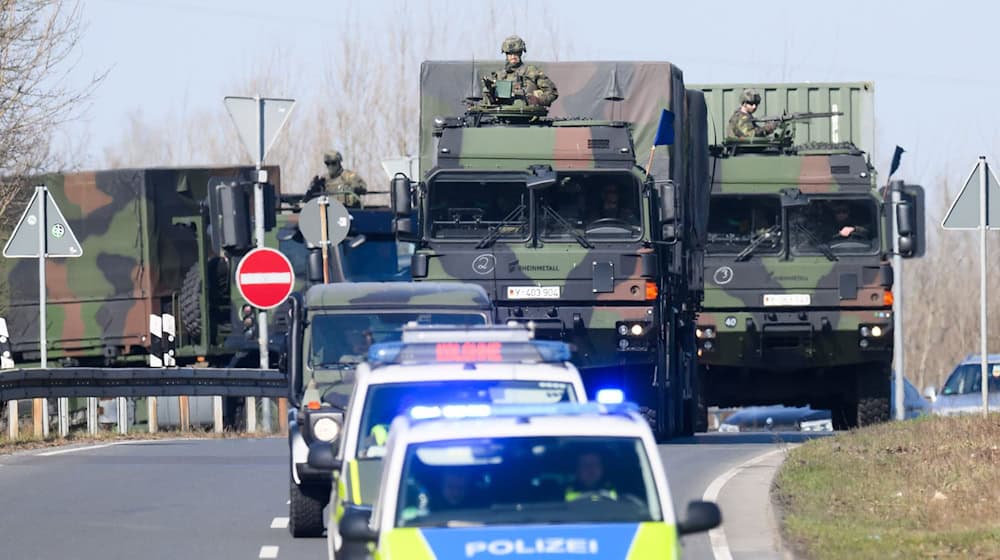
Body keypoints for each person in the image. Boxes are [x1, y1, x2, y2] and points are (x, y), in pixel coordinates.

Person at [482, 35, 558, 107]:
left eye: (516, 53)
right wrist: (489, 91)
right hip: (503, 117)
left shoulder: (531, 72)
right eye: (509, 54)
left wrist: (538, 100)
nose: (513, 56)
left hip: (529, 118)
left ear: (521, 53)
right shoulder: (499, 76)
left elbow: (552, 92)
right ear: (506, 55)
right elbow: (491, 102)